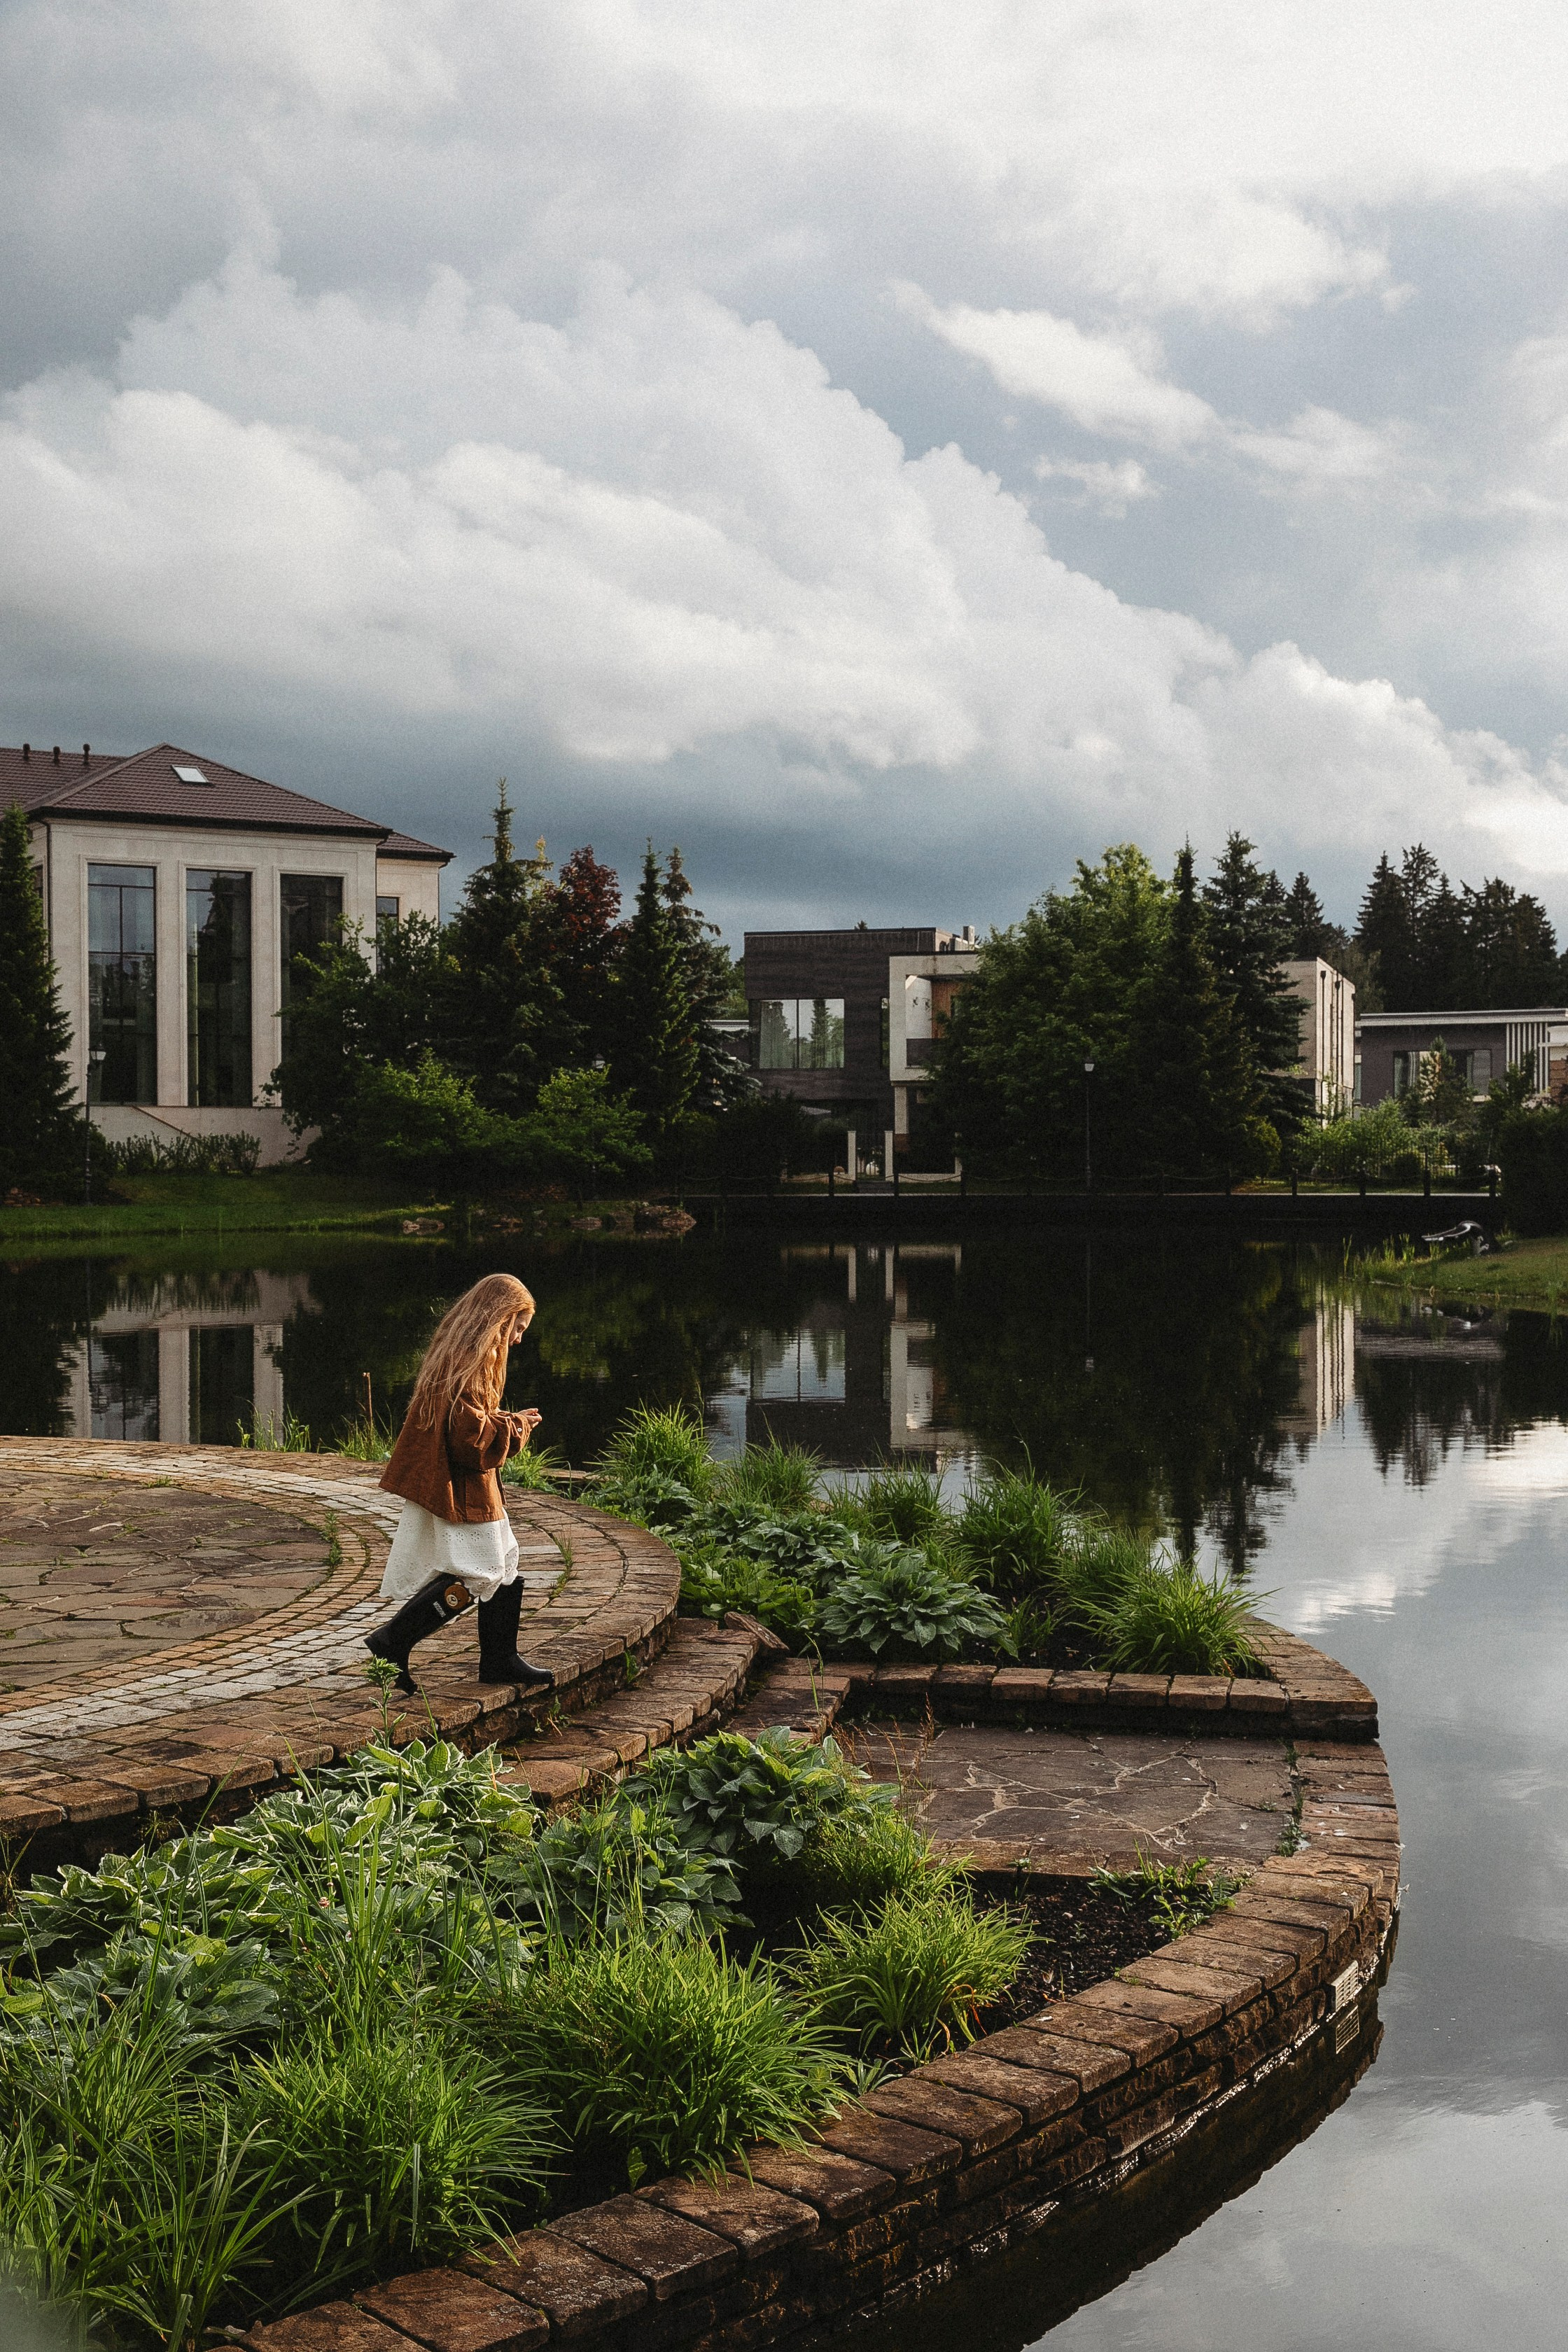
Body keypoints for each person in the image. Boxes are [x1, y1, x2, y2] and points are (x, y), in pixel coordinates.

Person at [365, 1271, 554, 1695]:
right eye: (518, 1327)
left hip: (457, 1480)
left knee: (502, 1564)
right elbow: (469, 1441)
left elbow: (464, 1422)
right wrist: (517, 1427)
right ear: (501, 1318)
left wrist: (506, 1420)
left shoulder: (461, 1351)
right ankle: (392, 1641)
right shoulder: (475, 1359)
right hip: (461, 1485)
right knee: (478, 1571)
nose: (518, 1339)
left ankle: (500, 1660)